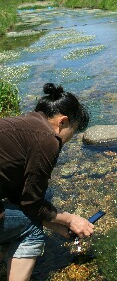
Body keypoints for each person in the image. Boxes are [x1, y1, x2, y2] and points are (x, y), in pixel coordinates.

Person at [0, 83, 94, 281]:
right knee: (32, 230)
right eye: (73, 131)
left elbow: (19, 194)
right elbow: (31, 204)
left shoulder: (20, 125)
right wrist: (69, 219)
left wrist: (54, 224)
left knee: (31, 207)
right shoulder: (48, 139)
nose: (68, 140)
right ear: (64, 122)